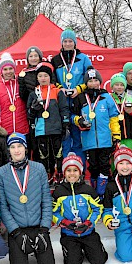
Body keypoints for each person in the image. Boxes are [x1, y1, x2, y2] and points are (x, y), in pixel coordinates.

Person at [0, 133, 55, 264]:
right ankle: (20, 247)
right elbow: (2, 206)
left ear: (25, 148)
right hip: (18, 229)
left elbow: (46, 200)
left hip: (38, 227)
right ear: (8, 149)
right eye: (13, 147)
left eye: (20, 146)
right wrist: (15, 232)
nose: (17, 150)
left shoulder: (38, 168)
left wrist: (44, 229)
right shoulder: (1, 173)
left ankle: (37, 245)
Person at [52, 152, 108, 264]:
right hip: (69, 234)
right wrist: (64, 222)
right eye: (69, 170)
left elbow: (98, 208)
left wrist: (89, 223)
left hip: (88, 232)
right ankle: (74, 251)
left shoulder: (88, 190)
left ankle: (90, 249)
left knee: (99, 261)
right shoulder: (59, 192)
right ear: (64, 172)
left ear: (81, 171)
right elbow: (54, 212)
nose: (72, 174)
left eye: (75, 170)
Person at [72, 66, 120, 197]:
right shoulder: (81, 98)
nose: (93, 83)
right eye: (90, 81)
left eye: (96, 80)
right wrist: (78, 120)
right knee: (93, 167)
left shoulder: (106, 97)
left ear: (100, 81)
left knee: (105, 166)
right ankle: (94, 194)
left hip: (105, 140)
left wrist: (116, 135)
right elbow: (72, 115)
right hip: (89, 140)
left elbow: (114, 117)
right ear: (86, 83)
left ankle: (103, 193)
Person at [51, 28, 92, 170]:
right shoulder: (55, 60)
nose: (68, 44)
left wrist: (79, 89)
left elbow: (91, 79)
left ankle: (80, 171)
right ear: (62, 43)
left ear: (75, 43)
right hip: (62, 102)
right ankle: (66, 171)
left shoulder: (84, 59)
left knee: (78, 135)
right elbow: (52, 79)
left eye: (70, 41)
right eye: (65, 41)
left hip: (78, 100)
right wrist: (59, 88)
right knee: (65, 137)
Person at [27, 62, 69, 184]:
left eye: (45, 75)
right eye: (40, 76)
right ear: (37, 78)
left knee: (58, 153)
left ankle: (59, 174)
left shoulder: (57, 91)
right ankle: (47, 175)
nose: (43, 78)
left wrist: (65, 123)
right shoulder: (34, 93)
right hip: (41, 130)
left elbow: (64, 108)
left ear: (50, 77)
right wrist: (33, 110)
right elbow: (29, 114)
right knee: (43, 154)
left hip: (56, 128)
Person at [0, 52, 29, 136]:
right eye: (5, 69)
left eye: (10, 68)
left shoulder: (21, 84)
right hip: (6, 131)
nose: (8, 72)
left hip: (24, 130)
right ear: (1, 71)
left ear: (14, 69)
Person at [18, 46, 45, 161]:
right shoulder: (24, 73)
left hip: (46, 108)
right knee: (33, 142)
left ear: (40, 57)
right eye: (31, 56)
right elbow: (23, 96)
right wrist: (21, 82)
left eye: (35, 56)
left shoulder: (45, 70)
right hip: (32, 110)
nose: (33, 58)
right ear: (27, 59)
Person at [110, 72, 132, 172]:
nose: (119, 87)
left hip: (128, 137)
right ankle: (115, 178)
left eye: (122, 85)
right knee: (116, 160)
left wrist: (131, 112)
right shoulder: (109, 99)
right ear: (112, 86)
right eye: (116, 84)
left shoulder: (129, 98)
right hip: (115, 138)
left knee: (130, 158)